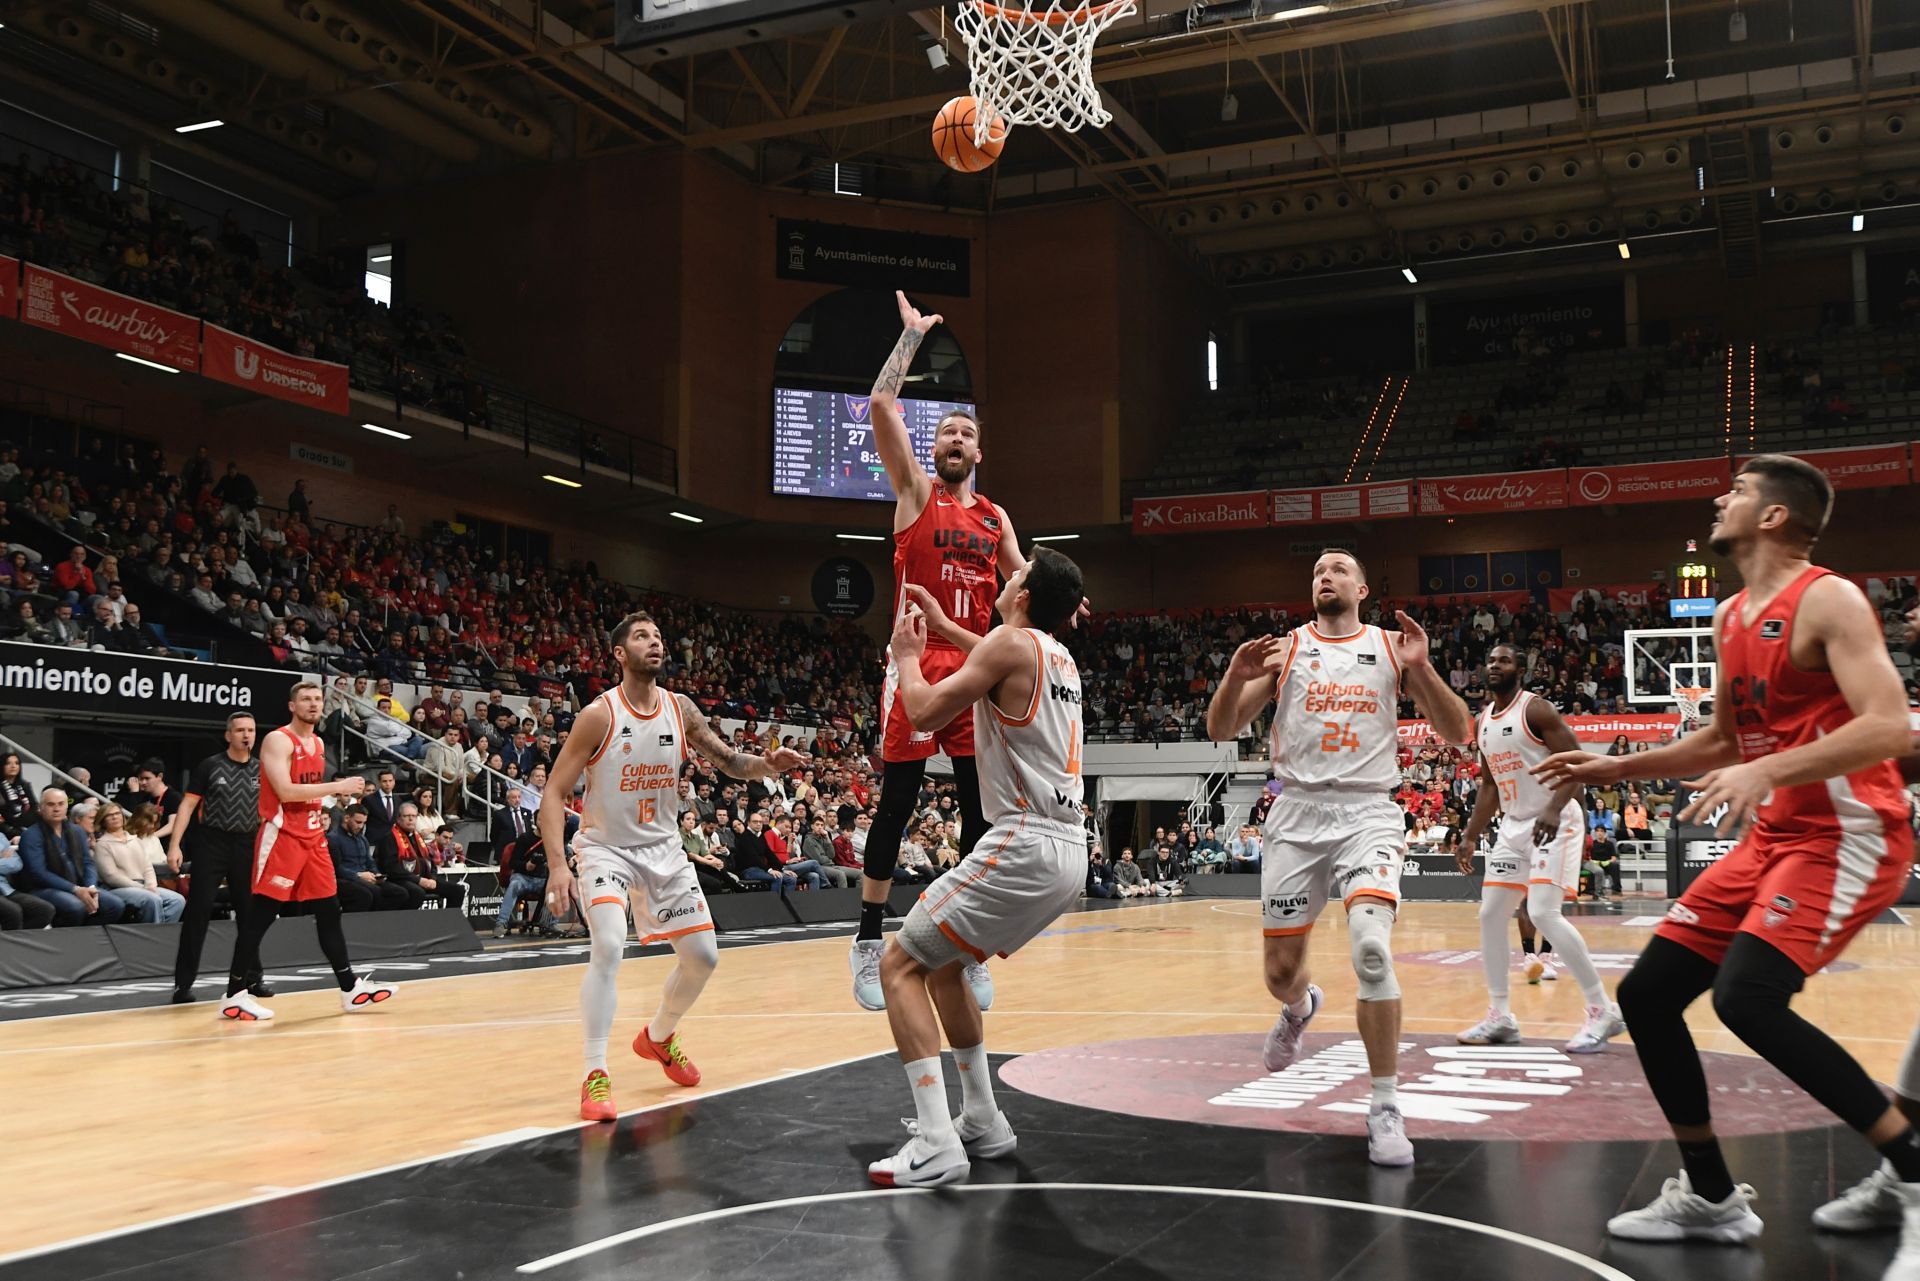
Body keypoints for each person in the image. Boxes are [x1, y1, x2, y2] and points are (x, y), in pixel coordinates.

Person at [1535, 456, 1920, 1255]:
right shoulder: (1732, 613)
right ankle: (1711, 1195)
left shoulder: (1830, 598)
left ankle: (1913, 1170)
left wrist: (1768, 767)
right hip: (1776, 838)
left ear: (1776, 516)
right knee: (1647, 994)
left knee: (1746, 999)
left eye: (1739, 491)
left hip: (1848, 832)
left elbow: (1890, 726)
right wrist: (1616, 767)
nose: (1722, 497)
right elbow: (1720, 740)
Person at [1203, 548, 1473, 1168]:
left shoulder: (1390, 647)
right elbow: (1221, 728)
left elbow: (1459, 732)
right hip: (1296, 816)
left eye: (1338, 569)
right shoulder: (1287, 649)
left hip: (1366, 813)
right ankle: (1301, 1008)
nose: (1326, 576)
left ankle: (1384, 1106)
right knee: (1278, 974)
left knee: (1372, 951)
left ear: (1363, 588)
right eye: (1318, 571)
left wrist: (1423, 670)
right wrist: (1232, 674)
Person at [866, 546, 1087, 1187]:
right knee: (943, 969)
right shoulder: (1054, 653)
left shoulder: (1008, 645)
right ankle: (983, 1120)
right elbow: (990, 657)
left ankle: (936, 1141)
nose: (1007, 573)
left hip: (1023, 838)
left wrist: (909, 658)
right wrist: (944, 625)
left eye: (1015, 573)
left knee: (898, 965)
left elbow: (925, 710)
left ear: (1021, 595)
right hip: (1067, 847)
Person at [850, 290, 1044, 1015]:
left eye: (967, 432)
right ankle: (869, 936)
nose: (957, 438)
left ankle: (964, 943)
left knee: (978, 806)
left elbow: (1020, 581)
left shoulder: (995, 516)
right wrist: (908, 341)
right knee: (897, 803)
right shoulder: (912, 492)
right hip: (914, 663)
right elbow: (879, 405)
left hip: (971, 663)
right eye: (948, 431)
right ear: (934, 448)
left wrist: (1056, 591)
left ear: (980, 451)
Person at [541, 612, 804, 1121]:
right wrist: (558, 864)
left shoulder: (680, 710)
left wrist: (766, 765)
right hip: (606, 849)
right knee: (610, 945)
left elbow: (728, 761)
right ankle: (595, 1073)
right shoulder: (599, 715)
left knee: (704, 957)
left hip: (664, 850)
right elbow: (553, 792)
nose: (654, 642)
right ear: (619, 653)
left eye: (658, 636)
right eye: (642, 636)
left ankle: (658, 1036)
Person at [1451, 645, 1624, 1053]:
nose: (1494, 666)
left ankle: (1603, 1010)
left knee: (1544, 912)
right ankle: (1500, 1016)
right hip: (1513, 825)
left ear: (1521, 669)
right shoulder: (1483, 722)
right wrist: (1471, 834)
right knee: (1491, 913)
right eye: (1490, 661)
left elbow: (1577, 768)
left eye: (1504, 661)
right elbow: (1490, 785)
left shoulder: (1537, 711)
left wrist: (1552, 807)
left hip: (1555, 820)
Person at [219, 683, 393, 1021]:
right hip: (283, 834)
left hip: (313, 836)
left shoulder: (317, 741)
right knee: (262, 915)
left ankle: (349, 988)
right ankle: (234, 994)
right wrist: (337, 787)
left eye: (317, 700)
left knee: (330, 910)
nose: (313, 705)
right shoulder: (278, 740)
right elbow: (284, 790)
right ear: (291, 705)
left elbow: (309, 790)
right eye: (306, 700)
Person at [169, 713, 269, 1003]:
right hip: (211, 844)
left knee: (250, 914)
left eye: (250, 730)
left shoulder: (261, 769)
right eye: (239, 730)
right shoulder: (211, 765)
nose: (246, 735)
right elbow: (187, 806)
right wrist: (175, 845)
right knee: (198, 912)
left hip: (247, 845)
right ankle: (183, 984)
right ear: (228, 735)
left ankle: (252, 979)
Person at [17, 790, 129, 925]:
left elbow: (88, 862)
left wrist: (91, 887)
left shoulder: (77, 831)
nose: (56, 808)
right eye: (51, 804)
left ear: (66, 807)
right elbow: (39, 873)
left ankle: (90, 939)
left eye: (60, 804)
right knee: (76, 907)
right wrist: (75, 889)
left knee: (115, 905)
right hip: (43, 888)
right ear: (41, 808)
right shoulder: (31, 835)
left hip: (80, 885)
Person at [93, 803, 185, 923]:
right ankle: (152, 935)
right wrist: (143, 888)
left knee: (177, 900)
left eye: (117, 813)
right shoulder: (102, 844)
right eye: (109, 815)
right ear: (103, 820)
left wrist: (151, 885)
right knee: (152, 899)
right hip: (118, 888)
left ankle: (161, 933)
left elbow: (148, 867)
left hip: (144, 885)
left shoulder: (135, 840)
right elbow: (111, 877)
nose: (114, 817)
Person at [380, 803, 465, 912]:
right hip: (401, 879)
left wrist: (432, 878)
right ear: (399, 818)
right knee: (416, 892)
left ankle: (448, 925)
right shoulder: (390, 837)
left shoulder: (417, 837)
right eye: (407, 816)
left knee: (457, 890)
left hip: (423, 878)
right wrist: (418, 880)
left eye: (414, 816)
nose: (411, 819)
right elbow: (391, 868)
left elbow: (430, 862)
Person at [329, 804, 408, 911]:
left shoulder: (362, 839)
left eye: (364, 823)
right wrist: (358, 875)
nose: (361, 826)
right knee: (371, 893)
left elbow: (370, 862)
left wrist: (377, 874)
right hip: (345, 879)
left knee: (399, 893)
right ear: (347, 818)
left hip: (366, 878)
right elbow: (336, 867)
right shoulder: (333, 838)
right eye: (358, 822)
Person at [0, 831, 54, 930]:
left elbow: (17, 863)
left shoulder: (0, 836)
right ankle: (10, 943)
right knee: (13, 911)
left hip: (6, 889)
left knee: (45, 910)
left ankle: (19, 941)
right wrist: (2, 859)